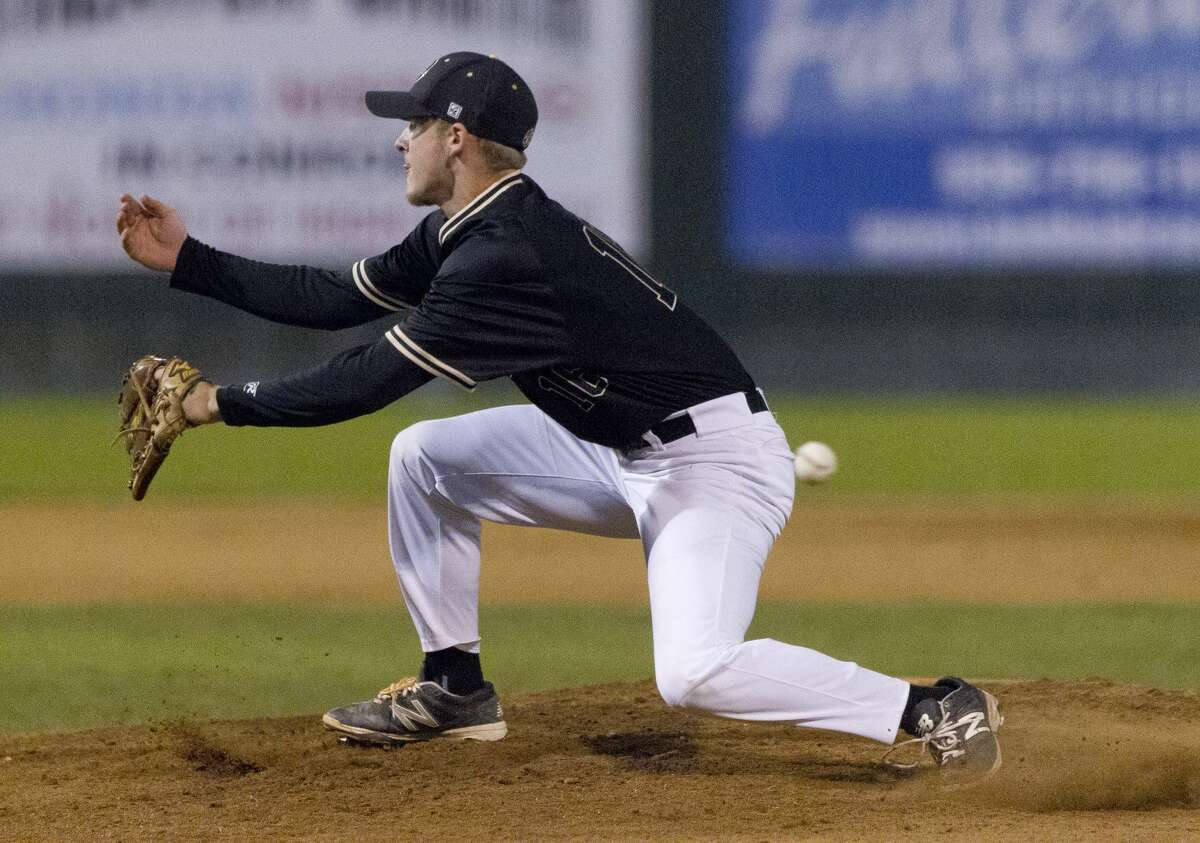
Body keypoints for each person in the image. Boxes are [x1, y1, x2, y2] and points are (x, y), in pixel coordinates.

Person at [116, 52, 1002, 779]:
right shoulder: (466, 228)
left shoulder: (503, 255)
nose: (400, 140)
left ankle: (931, 707)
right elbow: (335, 297)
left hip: (712, 462)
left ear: (456, 138)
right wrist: (190, 259)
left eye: (414, 124)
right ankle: (454, 687)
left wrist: (212, 403)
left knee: (693, 672)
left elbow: (363, 380)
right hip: (615, 446)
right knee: (424, 458)